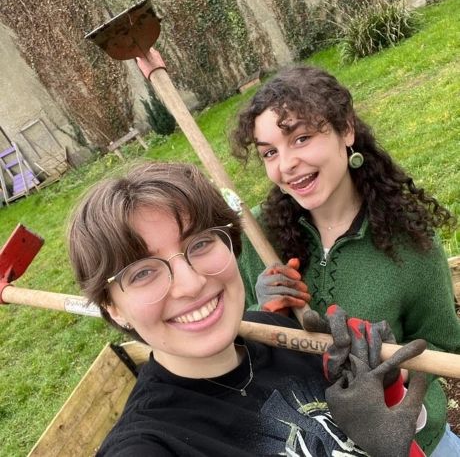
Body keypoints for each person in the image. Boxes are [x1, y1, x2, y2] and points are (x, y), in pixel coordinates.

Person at [68, 161, 427, 456]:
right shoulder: (151, 445)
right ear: (112, 307)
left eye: (200, 243)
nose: (191, 284)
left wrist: (386, 388)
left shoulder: (280, 334)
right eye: (143, 272)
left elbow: (394, 434)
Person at [231, 65, 460, 455]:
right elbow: (238, 355)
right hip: (315, 444)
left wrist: (389, 373)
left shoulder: (409, 241)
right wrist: (260, 311)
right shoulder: (259, 237)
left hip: (410, 443)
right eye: (269, 152)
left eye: (301, 138)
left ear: (346, 131)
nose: (285, 165)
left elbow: (444, 346)